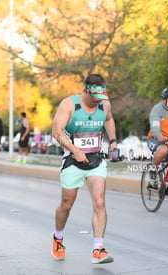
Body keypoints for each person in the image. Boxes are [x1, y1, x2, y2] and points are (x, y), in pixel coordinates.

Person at [51, 74, 118, 264]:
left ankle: (98, 249)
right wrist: (75, 150)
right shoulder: (69, 104)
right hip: (72, 160)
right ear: (85, 91)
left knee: (99, 202)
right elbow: (56, 132)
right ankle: (58, 237)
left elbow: (109, 119)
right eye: (93, 98)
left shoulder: (104, 104)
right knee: (66, 204)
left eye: (100, 99)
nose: (97, 102)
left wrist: (113, 141)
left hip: (96, 160)